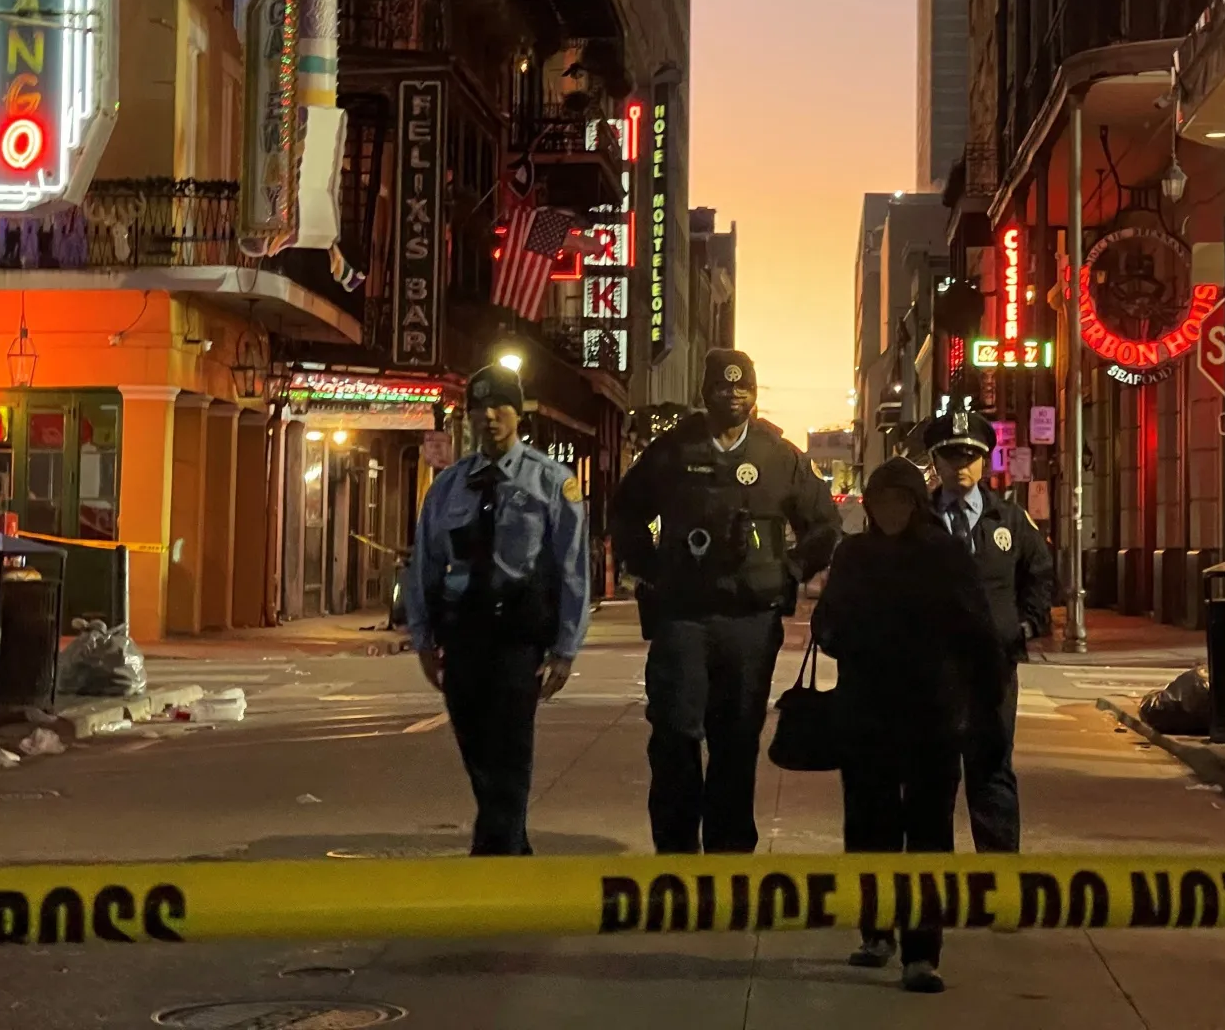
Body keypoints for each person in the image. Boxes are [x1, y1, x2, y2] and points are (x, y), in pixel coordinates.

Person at [611, 349, 841, 854]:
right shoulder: (673, 450)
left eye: (742, 387)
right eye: (722, 385)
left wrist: (790, 571)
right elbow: (625, 511)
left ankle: (729, 851)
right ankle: (675, 849)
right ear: (705, 392)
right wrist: (650, 569)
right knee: (674, 732)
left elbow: (825, 524)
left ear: (754, 394)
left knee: (736, 739)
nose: (733, 394)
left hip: (750, 621)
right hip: (683, 617)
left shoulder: (778, 457)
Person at [814, 456, 1001, 995]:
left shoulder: (943, 555)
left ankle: (922, 951)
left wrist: (981, 706)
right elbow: (827, 622)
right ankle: (875, 933)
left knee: (928, 833)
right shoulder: (855, 555)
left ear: (916, 504)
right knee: (869, 826)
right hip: (868, 713)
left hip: (931, 717)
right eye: (881, 500)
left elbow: (976, 630)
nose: (890, 510)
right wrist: (849, 637)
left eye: (900, 500)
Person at [405, 364, 590, 856]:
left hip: (517, 636)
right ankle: (511, 845)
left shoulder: (552, 482)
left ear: (518, 413)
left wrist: (566, 648)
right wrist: (421, 638)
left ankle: (496, 856)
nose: (490, 418)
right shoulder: (448, 487)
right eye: (480, 409)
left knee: (510, 750)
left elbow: (573, 570)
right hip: (463, 633)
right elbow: (424, 562)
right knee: (475, 748)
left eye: (501, 407)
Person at [920, 411, 1055, 853]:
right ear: (935, 461)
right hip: (930, 673)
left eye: (971, 455)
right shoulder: (917, 523)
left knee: (992, 771)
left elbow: (1040, 574)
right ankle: (932, 888)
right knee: (932, 778)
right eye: (951, 455)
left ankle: (997, 886)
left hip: (992, 669)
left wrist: (1027, 623)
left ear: (985, 463)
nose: (961, 464)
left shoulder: (1009, 521)